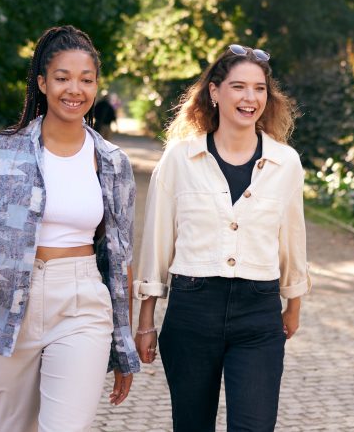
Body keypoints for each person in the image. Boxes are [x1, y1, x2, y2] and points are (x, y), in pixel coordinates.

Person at [0, 25, 140, 432]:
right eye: (63, 78)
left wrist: (123, 344)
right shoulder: (0, 151)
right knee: (12, 425)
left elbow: (121, 258)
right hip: (5, 301)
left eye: (86, 80)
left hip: (82, 301)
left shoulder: (112, 161)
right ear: (42, 83)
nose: (75, 89)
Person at [133, 44, 310, 432]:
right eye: (239, 87)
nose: (250, 98)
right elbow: (157, 241)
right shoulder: (180, 159)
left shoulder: (286, 162)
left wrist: (292, 303)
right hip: (192, 310)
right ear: (215, 92)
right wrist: (146, 320)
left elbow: (293, 238)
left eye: (260, 88)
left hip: (259, 313)